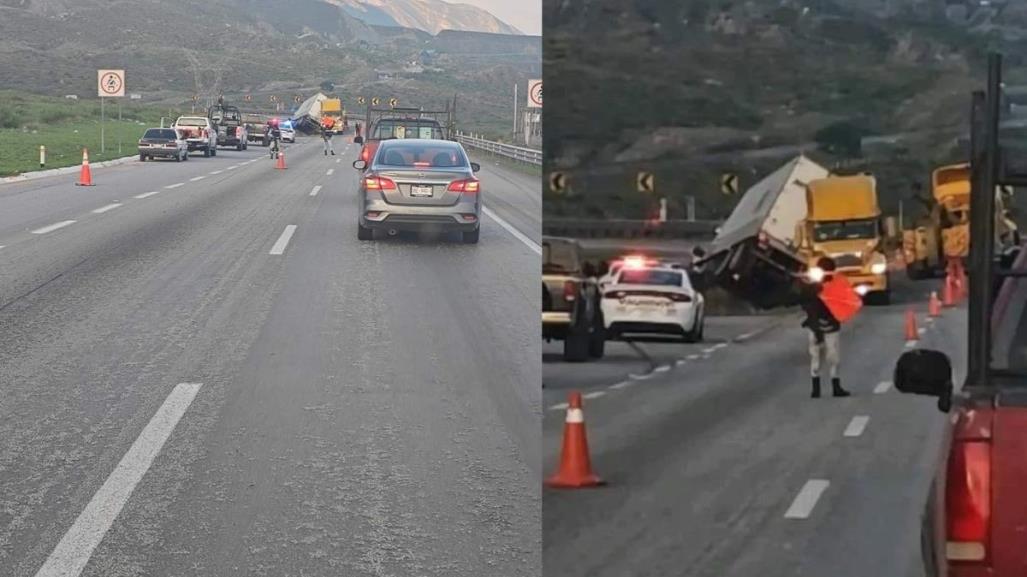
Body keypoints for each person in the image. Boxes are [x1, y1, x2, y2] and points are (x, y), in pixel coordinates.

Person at [799, 256, 851, 398]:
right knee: (829, 356)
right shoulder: (816, 285)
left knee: (820, 356)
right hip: (823, 325)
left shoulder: (833, 285)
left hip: (821, 325)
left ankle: (820, 388)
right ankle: (831, 387)